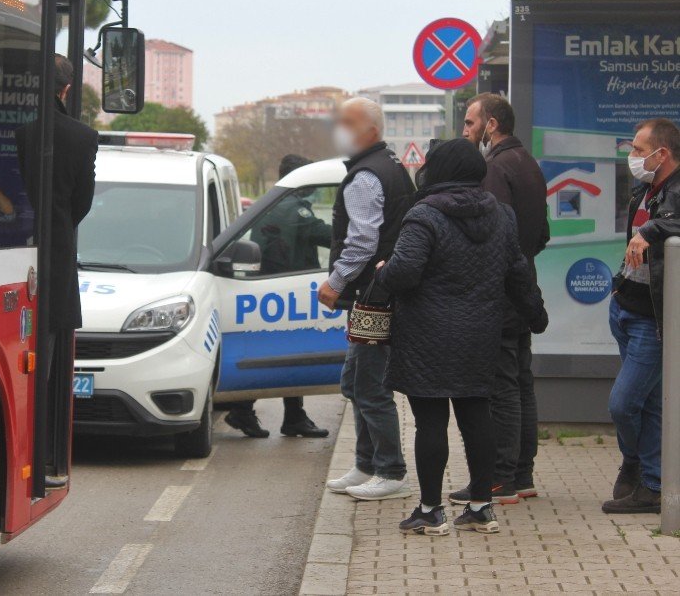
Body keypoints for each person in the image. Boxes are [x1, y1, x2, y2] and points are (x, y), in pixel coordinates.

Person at [377, 139, 548, 535]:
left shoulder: (425, 215)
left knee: (431, 422)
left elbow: (404, 273)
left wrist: (382, 271)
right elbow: (518, 274)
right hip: (481, 334)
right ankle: (481, 508)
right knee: (476, 417)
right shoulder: (503, 216)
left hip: (426, 338)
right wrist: (536, 317)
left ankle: (430, 511)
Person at [453, 93, 549, 505]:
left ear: (491, 125)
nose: (466, 130)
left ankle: (501, 477)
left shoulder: (495, 168)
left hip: (502, 292)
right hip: (524, 283)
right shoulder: (528, 162)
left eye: (471, 123)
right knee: (521, 381)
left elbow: (494, 233)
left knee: (502, 385)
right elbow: (540, 234)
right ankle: (523, 473)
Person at [321, 97, 415, 501]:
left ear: (370, 130)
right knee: (355, 382)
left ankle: (391, 471)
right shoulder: (391, 165)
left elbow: (362, 241)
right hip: (374, 294)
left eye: (347, 122)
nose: (339, 128)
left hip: (373, 295)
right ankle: (365, 464)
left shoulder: (365, 176)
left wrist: (336, 281)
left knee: (370, 385)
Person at [16, 54, 97, 487]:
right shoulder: (83, 137)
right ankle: (42, 457)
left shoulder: (25, 133)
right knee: (46, 357)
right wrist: (62, 224)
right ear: (67, 89)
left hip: (22, 251)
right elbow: (82, 201)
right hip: (59, 254)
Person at [602, 118, 680, 515]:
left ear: (661, 154)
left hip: (653, 318)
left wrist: (652, 230)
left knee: (623, 403)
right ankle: (652, 485)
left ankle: (633, 462)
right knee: (648, 403)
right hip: (625, 308)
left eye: (637, 149)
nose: (632, 156)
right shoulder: (645, 189)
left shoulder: (677, 192)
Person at [224, 154, 331, 439]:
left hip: (271, 286)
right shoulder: (295, 209)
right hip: (288, 289)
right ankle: (244, 410)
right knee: (286, 352)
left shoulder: (276, 205)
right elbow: (327, 235)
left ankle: (292, 416)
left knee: (287, 352)